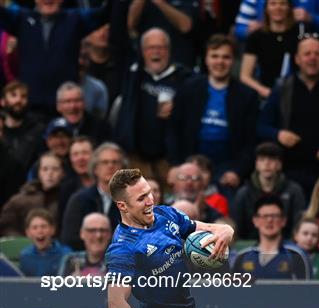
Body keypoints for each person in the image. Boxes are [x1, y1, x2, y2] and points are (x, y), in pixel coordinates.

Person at [35, 169, 260, 308]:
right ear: (123, 205)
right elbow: (116, 303)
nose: (150, 200)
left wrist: (227, 231)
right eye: (141, 198)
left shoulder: (165, 215)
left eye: (149, 193)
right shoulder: (124, 248)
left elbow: (210, 228)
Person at [258, 35, 319, 195]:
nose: (312, 58)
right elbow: (261, 126)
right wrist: (278, 134)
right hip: (287, 170)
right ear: (297, 59)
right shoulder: (282, 89)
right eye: (307, 54)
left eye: (317, 54)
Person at [175, 34, 258, 188]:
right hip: (190, 163)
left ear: (233, 60)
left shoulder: (247, 95)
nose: (220, 62)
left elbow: (250, 142)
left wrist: (238, 171)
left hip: (228, 168)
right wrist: (176, 165)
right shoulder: (188, 88)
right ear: (206, 59)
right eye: (214, 56)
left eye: (225, 57)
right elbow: (174, 129)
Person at [0, 0, 111, 114]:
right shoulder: (21, 18)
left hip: (66, 108)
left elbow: (107, 13)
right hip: (29, 109)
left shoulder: (76, 19)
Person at [114, 28, 192, 186]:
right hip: (137, 157)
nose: (156, 52)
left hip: (170, 160)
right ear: (142, 52)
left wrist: (177, 107)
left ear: (169, 51)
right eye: (150, 48)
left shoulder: (185, 78)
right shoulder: (133, 76)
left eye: (160, 47)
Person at [231, 142, 305, 239]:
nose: (267, 164)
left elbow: (298, 226)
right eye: (262, 160)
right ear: (256, 164)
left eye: (271, 159)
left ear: (279, 165)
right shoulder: (243, 193)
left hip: (286, 246)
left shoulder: (294, 191)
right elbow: (237, 229)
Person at [61, 142, 125, 250]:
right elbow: (69, 237)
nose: (110, 166)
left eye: (115, 162)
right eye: (105, 162)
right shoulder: (79, 199)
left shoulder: (131, 201)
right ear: (95, 169)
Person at [233, 194, 310, 280]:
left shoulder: (296, 255)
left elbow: (307, 291)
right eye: (265, 216)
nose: (269, 220)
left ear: (283, 220)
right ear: (255, 221)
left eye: (274, 216)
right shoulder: (242, 257)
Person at [240, 0, 300, 99]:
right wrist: (267, 92)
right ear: (266, 8)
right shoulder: (256, 37)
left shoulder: (299, 35)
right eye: (273, 3)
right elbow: (245, 76)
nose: (278, 8)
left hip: (296, 96)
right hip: (266, 96)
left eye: (282, 3)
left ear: (289, 7)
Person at [0, 152, 64, 236]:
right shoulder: (20, 199)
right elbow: (5, 226)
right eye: (45, 169)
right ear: (39, 173)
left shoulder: (67, 198)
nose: (49, 173)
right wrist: (24, 240)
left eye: (55, 169)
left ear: (63, 173)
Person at [127, 0, 197, 67]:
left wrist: (160, 3)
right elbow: (130, 25)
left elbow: (185, 26)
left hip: (178, 60)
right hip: (146, 64)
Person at [1, 81, 45, 176]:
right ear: (3, 102)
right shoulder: (1, 130)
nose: (19, 100)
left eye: (23, 96)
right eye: (13, 95)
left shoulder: (38, 130)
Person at [20, 208, 72, 277]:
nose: (40, 231)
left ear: (53, 229)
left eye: (43, 226)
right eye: (35, 227)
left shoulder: (66, 254)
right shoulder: (25, 256)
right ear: (28, 232)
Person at [55, 81, 111, 146]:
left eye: (77, 100)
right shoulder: (49, 130)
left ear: (85, 103)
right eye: (67, 101)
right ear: (58, 106)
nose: (73, 106)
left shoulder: (102, 128)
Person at [58, 212, 111, 277]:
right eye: (92, 230)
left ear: (110, 234)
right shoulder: (71, 260)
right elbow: (60, 286)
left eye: (103, 230)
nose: (98, 236)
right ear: (82, 233)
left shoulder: (120, 262)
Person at [57, 136, 95, 222]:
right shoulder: (66, 189)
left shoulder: (108, 185)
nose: (80, 158)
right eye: (75, 154)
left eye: (85, 153)